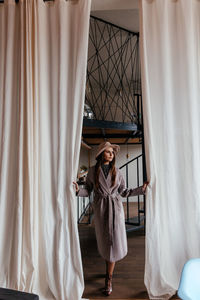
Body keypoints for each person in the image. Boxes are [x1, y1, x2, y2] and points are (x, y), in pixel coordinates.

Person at [73, 141, 148, 296]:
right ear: (101, 154)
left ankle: (109, 279)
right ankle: (108, 270)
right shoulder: (93, 171)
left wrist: (142, 189)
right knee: (106, 242)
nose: (111, 154)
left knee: (113, 243)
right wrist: (77, 191)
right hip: (101, 210)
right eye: (108, 152)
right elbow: (87, 191)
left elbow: (125, 192)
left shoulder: (117, 172)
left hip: (115, 209)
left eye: (112, 153)